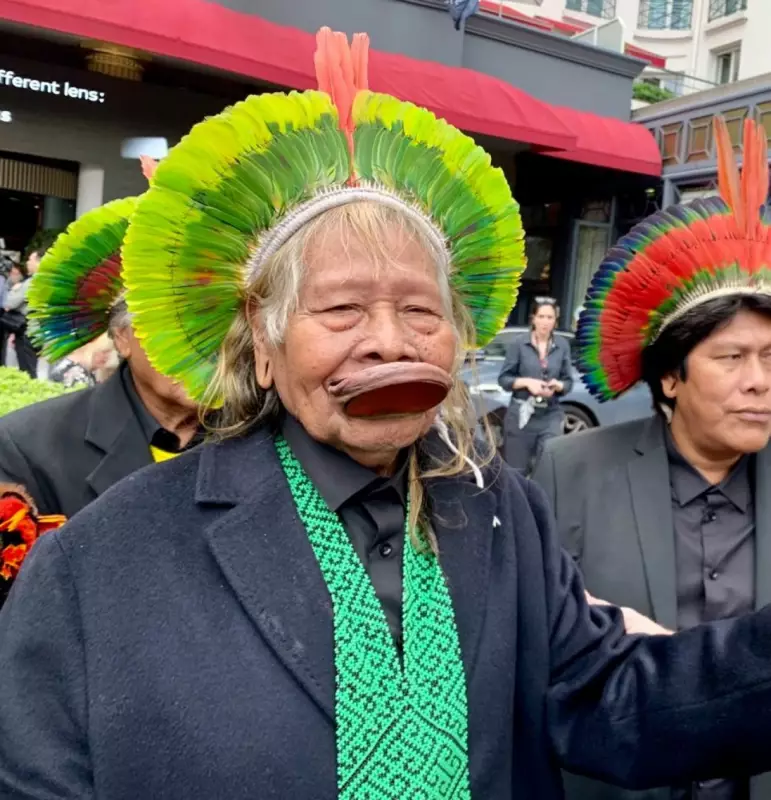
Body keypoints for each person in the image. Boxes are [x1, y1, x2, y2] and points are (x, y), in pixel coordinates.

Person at [5, 26, 771, 800]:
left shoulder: (499, 509)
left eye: (419, 309)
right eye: (339, 309)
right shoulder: (104, 557)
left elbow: (603, 700)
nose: (387, 341)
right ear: (263, 349)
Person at [532, 117, 771, 800]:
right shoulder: (568, 470)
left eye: (769, 358)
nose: (757, 381)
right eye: (730, 358)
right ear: (670, 377)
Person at [0, 196, 201, 526]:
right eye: (174, 324)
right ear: (123, 336)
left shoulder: (262, 438)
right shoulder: (28, 449)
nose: (201, 345)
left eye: (217, 324)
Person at [497, 297, 572, 472]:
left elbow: (568, 382)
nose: (545, 322)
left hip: (550, 414)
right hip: (522, 415)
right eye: (541, 316)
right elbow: (504, 379)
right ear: (533, 318)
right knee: (517, 471)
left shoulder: (562, 345)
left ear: (555, 321)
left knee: (547, 467)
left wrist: (558, 385)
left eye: (550, 318)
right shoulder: (519, 344)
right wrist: (527, 382)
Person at [2, 253, 39, 377]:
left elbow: (9, 302)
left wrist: (14, 288)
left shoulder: (32, 282)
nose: (28, 263)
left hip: (26, 331)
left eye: (30, 259)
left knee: (27, 368)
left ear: (39, 261)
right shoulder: (49, 279)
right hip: (38, 330)